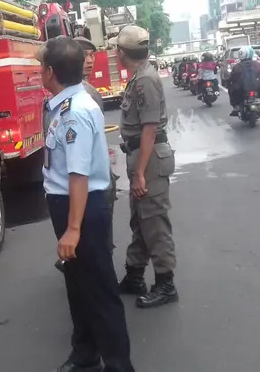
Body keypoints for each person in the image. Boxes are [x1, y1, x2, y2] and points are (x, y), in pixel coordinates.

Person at [38, 36, 135, 372]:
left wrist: (73, 229)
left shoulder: (75, 111)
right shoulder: (62, 104)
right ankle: (85, 353)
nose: (39, 72)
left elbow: (78, 174)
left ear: (50, 72)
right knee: (78, 285)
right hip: (68, 204)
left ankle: (120, 365)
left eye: (41, 67)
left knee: (99, 290)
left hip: (81, 207)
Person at [113, 26, 178, 309]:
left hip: (148, 160)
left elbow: (149, 130)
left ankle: (165, 285)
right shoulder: (139, 77)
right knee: (141, 221)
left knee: (154, 223)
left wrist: (140, 173)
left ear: (122, 53)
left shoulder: (146, 81)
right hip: (141, 156)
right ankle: (134, 275)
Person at [51, 36, 119, 274]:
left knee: (95, 265)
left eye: (92, 55)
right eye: (85, 56)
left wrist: (73, 227)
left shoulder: (79, 104)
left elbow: (79, 169)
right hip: (79, 194)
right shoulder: (68, 99)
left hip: (86, 194)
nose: (90, 61)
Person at [227, 45, 260, 116]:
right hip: (256, 87)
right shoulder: (257, 64)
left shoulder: (237, 66)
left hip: (242, 89)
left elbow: (232, 78)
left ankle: (236, 106)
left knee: (232, 89)